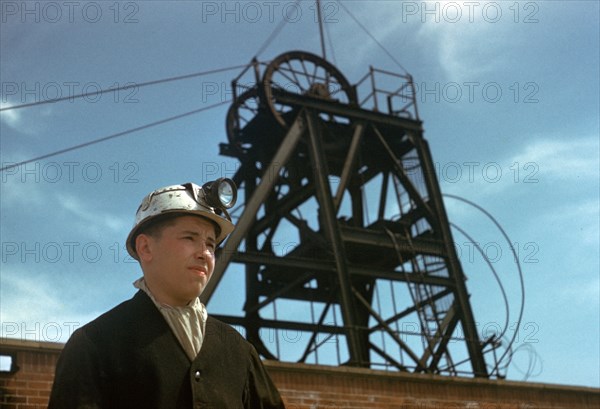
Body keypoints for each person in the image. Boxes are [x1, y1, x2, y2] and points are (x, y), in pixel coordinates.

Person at [48, 180, 286, 409]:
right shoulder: (95, 344)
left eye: (211, 244)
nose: (204, 253)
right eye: (190, 238)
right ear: (146, 248)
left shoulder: (240, 352)